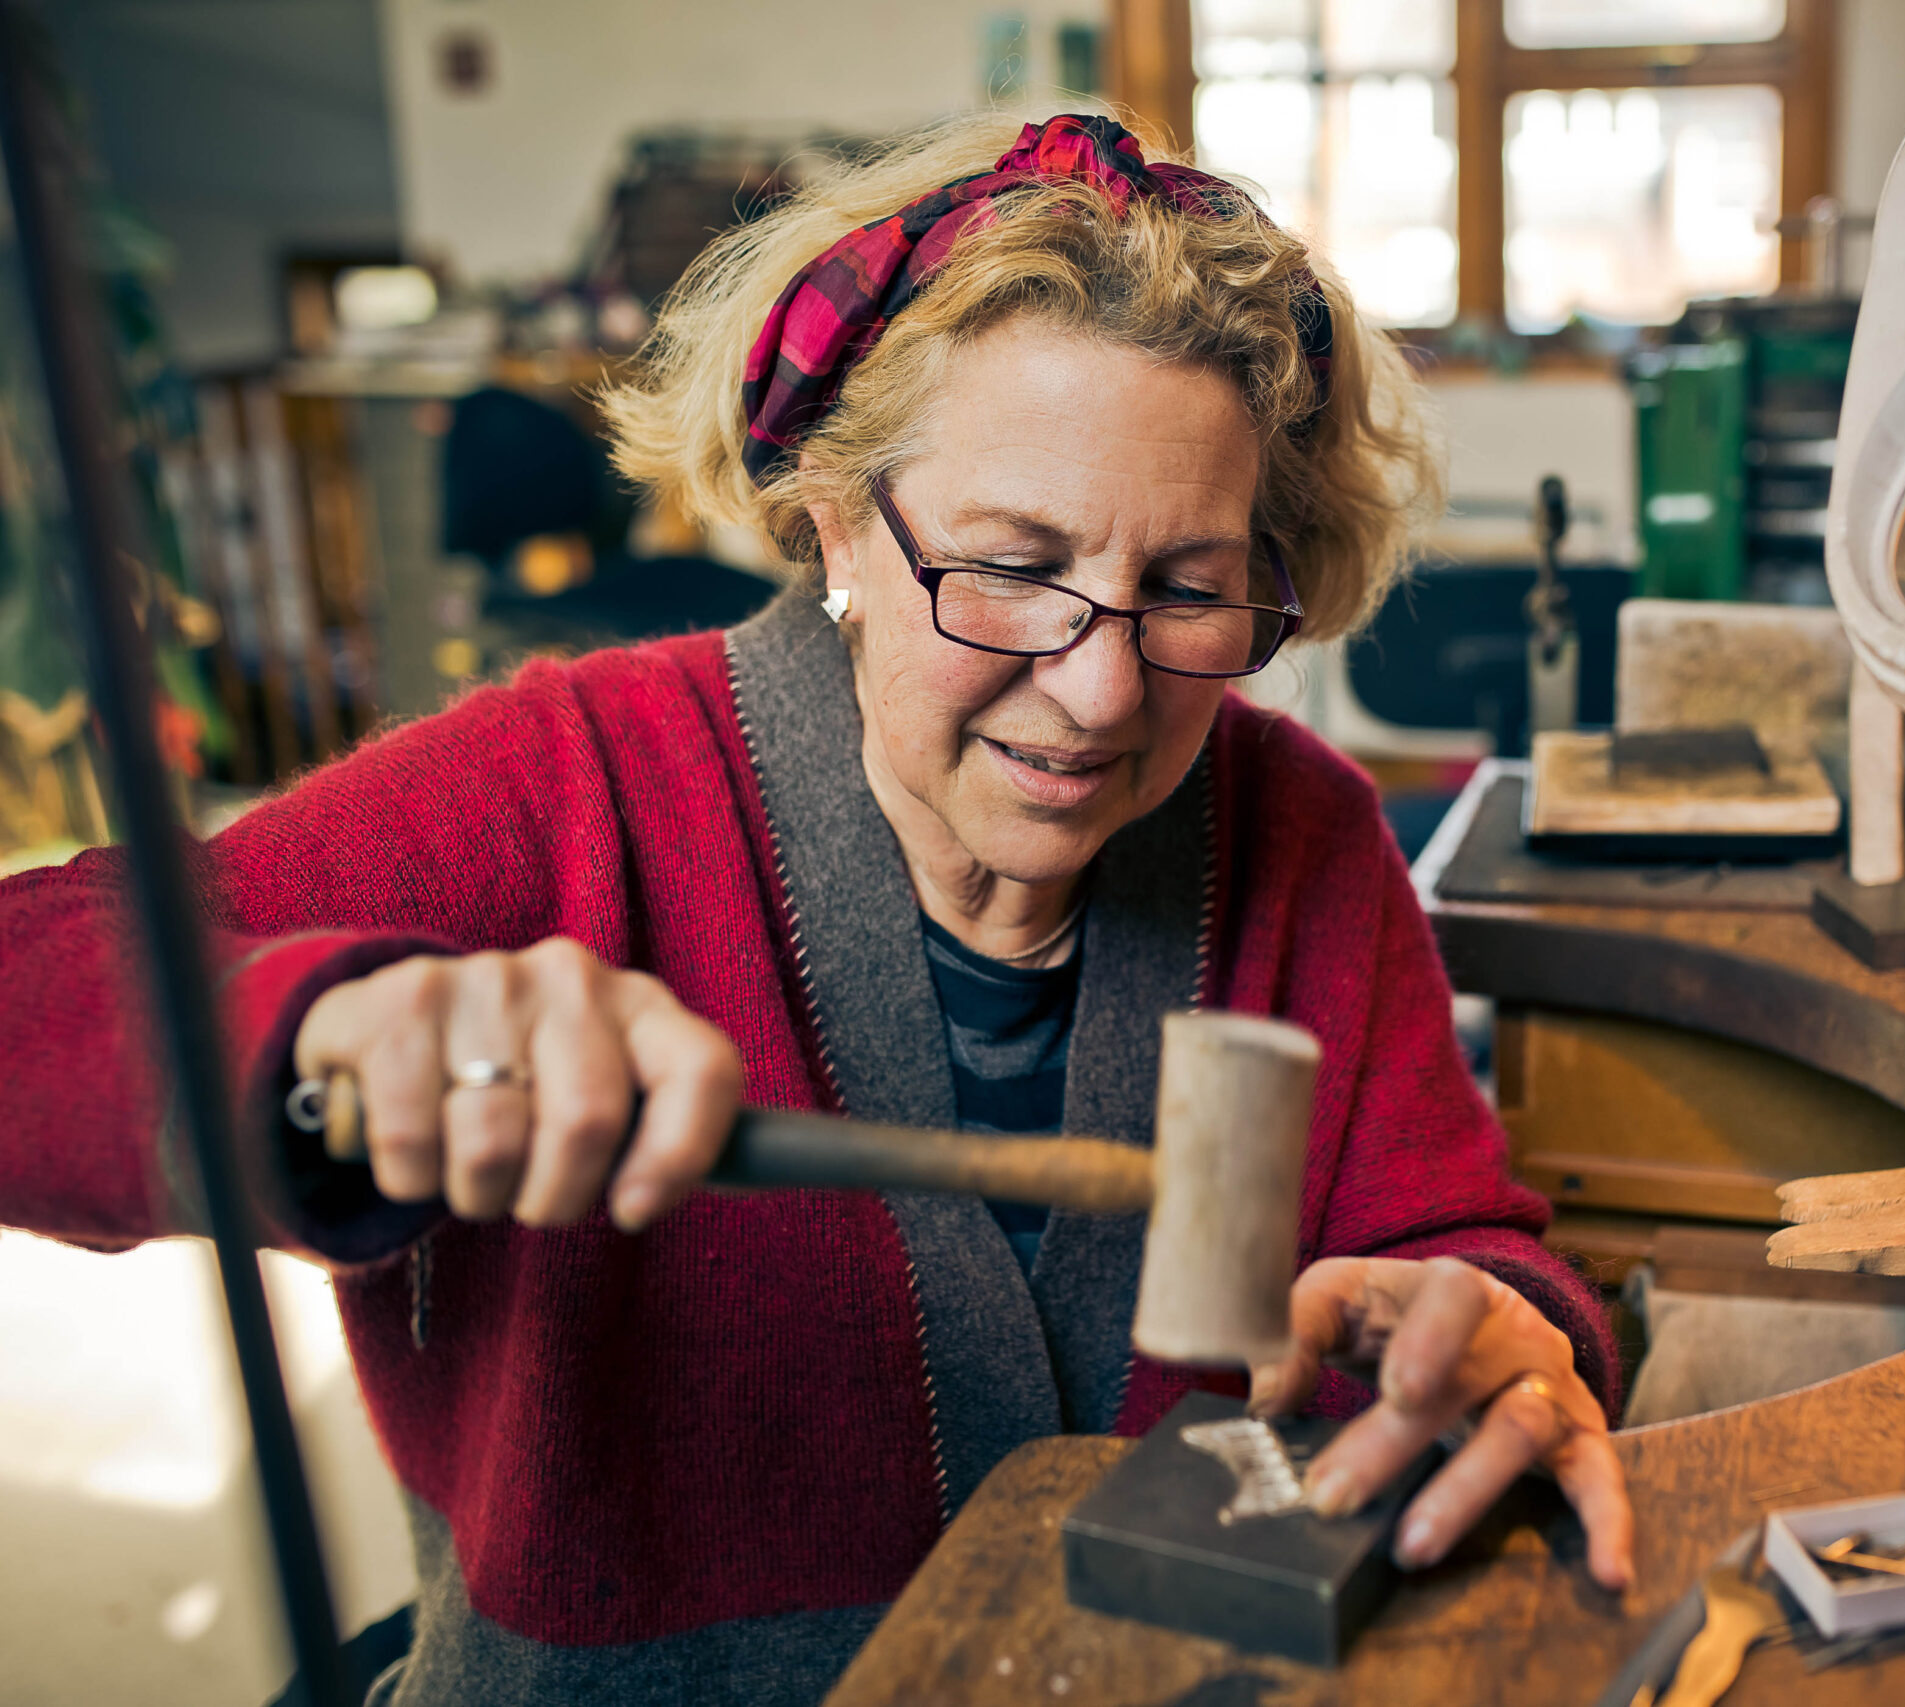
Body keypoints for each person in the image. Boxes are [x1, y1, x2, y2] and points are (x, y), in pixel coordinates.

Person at [0, 112, 1629, 1704]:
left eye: (1188, 588)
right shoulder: (562, 786)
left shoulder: (1304, 832)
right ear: (835, 518)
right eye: (1011, 563)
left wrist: (1502, 1330)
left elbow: (1456, 1245)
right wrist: (329, 1027)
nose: (1101, 685)